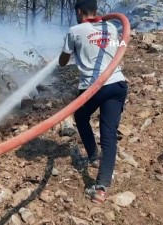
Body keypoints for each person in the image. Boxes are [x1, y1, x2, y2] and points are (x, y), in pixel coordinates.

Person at [58, 0, 128, 204]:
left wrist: (65, 51)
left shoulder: (75, 30)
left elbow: (63, 62)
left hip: (92, 88)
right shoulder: (112, 27)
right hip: (116, 84)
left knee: (80, 117)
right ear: (96, 10)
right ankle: (101, 188)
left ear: (79, 12)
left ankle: (94, 157)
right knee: (109, 135)